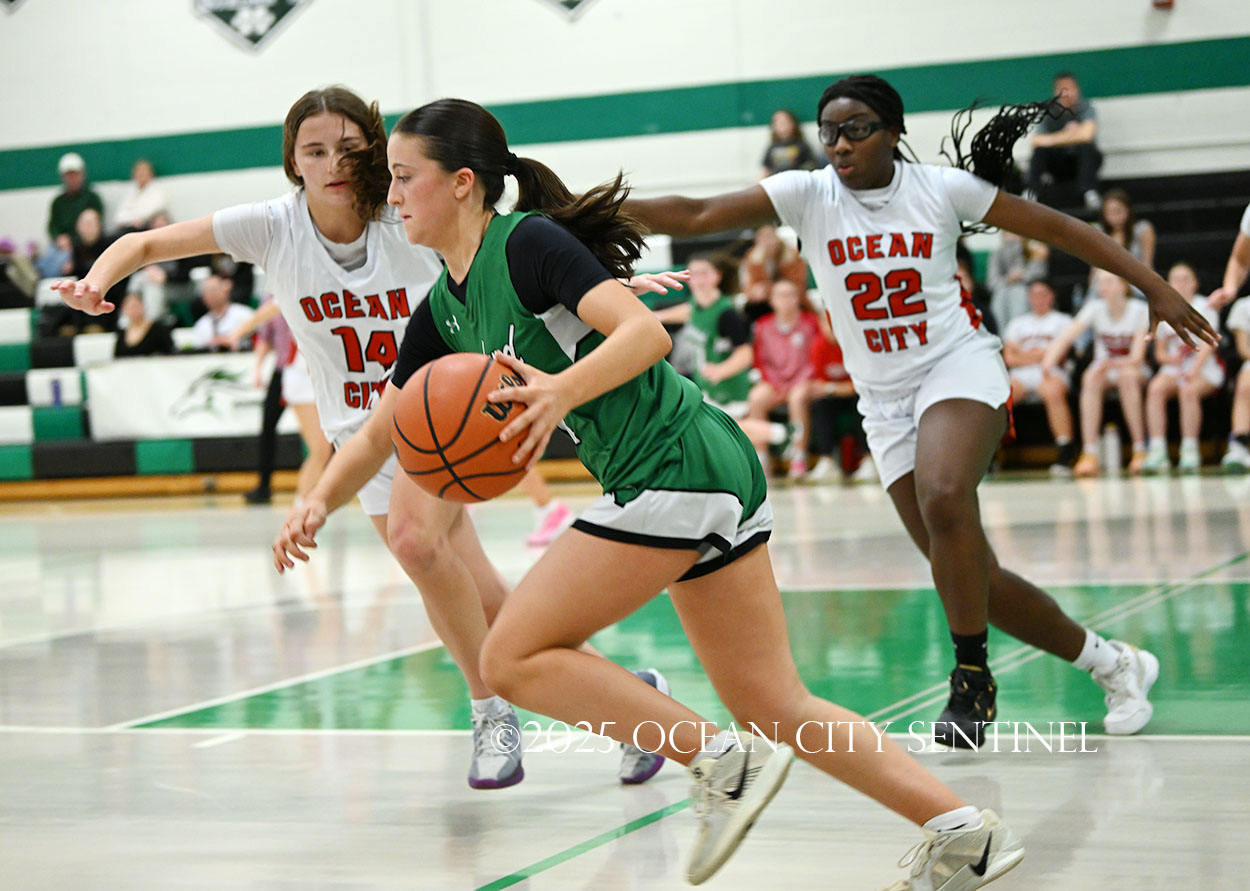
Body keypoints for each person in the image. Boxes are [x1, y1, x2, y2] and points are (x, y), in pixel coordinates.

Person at [277, 95, 1027, 891]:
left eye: (405, 176)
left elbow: (645, 333)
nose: (391, 195)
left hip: (670, 462)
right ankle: (963, 831)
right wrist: (316, 500)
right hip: (700, 466)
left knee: (509, 656)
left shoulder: (527, 243)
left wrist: (559, 392)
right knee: (775, 703)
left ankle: (718, 760)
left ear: (463, 182)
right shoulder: (443, 310)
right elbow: (379, 432)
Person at [54, 86, 672, 792]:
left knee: (414, 540)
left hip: (442, 410)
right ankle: (632, 702)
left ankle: (489, 709)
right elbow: (146, 242)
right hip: (364, 436)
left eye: (348, 149)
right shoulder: (273, 226)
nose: (333, 164)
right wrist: (96, 281)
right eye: (314, 151)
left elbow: (504, 252)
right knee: (484, 597)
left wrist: (592, 285)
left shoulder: (405, 210)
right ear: (292, 159)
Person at [624, 74, 1217, 758]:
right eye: (829, 132)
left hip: (957, 366)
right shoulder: (808, 193)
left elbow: (1061, 228)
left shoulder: (941, 189)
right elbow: (695, 213)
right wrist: (585, 212)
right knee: (972, 576)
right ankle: (1113, 663)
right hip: (882, 400)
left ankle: (971, 679)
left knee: (942, 495)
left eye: (856, 129)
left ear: (893, 131)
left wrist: (1155, 287)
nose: (840, 144)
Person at [654, 255, 792, 464]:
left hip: (727, 384)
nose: (699, 279)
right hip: (706, 383)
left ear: (717, 276)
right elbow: (688, 312)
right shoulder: (697, 305)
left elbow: (745, 354)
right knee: (718, 429)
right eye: (694, 274)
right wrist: (656, 316)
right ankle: (777, 438)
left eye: (704, 274)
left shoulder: (726, 313)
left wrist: (721, 371)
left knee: (723, 427)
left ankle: (782, 433)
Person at [1042, 271, 1150, 477]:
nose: (1102, 287)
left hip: (1133, 368)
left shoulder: (1139, 310)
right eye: (1099, 283)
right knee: (1090, 377)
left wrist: (1112, 363)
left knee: (1126, 377)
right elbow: (1066, 336)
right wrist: (1049, 361)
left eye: (1108, 282)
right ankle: (1090, 452)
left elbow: (1137, 357)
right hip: (1105, 368)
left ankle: (1139, 449)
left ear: (1123, 285)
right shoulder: (1094, 308)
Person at [227, 297, 333, 504]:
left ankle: (306, 502)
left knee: (325, 450)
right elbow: (264, 313)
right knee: (321, 449)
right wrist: (237, 333)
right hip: (300, 378)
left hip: (320, 377)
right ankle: (300, 506)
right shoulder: (295, 291)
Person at [1141, 263, 1223, 474]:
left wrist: (1193, 369)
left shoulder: (1206, 306)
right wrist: (1172, 359)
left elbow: (1210, 345)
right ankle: (1157, 450)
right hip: (1174, 369)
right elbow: (1159, 354)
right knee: (1155, 389)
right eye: (1176, 279)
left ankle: (1190, 450)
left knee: (1188, 390)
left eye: (1186, 279)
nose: (1181, 283)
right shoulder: (1162, 308)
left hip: (1204, 368)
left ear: (1195, 283)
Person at [748, 278, 823, 479]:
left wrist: (795, 383)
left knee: (797, 398)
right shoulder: (763, 326)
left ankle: (798, 456)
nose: (786, 300)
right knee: (756, 398)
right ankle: (761, 458)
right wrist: (777, 384)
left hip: (803, 380)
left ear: (798, 298)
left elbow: (815, 359)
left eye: (790, 295)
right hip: (775, 382)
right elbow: (761, 360)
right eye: (780, 295)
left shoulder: (810, 322)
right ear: (772, 300)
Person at [1001, 279, 1076, 475]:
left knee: (1052, 391)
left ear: (1052, 296)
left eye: (1043, 294)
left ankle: (1065, 449)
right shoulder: (1018, 323)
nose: (1038, 299)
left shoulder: (1063, 321)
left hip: (1051, 370)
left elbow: (1060, 354)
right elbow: (1009, 358)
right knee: (1001, 393)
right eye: (1034, 295)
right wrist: (1042, 353)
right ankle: (993, 452)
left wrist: (1024, 353)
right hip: (1021, 374)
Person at [1026, 71, 1103, 210]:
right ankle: (1031, 192)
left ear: (1077, 89)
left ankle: (1089, 192)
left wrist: (1052, 139)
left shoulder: (1087, 108)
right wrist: (1069, 134)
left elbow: (1087, 135)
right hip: (1058, 164)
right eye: (1062, 89)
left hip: (1081, 164)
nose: (1067, 93)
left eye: (1071, 88)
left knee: (1088, 148)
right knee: (1039, 151)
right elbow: (1036, 140)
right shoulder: (1049, 111)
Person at [738, 223, 809, 323]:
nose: (768, 241)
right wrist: (756, 291)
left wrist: (769, 289)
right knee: (751, 309)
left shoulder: (792, 255)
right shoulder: (753, 258)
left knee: (785, 299)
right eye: (763, 237)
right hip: (765, 302)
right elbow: (748, 287)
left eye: (770, 236)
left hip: (790, 297)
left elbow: (798, 285)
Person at [987, 230, 1048, 330]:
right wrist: (1008, 279)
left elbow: (1039, 275)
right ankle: (1003, 336)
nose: (1013, 237)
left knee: (1018, 292)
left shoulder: (1034, 249)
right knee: (1000, 294)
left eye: (1015, 233)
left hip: (1026, 289)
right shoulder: (997, 253)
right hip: (1003, 290)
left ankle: (1017, 332)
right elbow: (991, 283)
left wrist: (1022, 276)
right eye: (1008, 233)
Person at [47, 152, 104, 246]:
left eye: (75, 174)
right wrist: (58, 238)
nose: (72, 179)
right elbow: (52, 226)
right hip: (63, 245)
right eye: (69, 175)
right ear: (62, 177)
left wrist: (77, 241)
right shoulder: (58, 202)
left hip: (86, 243)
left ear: (83, 174)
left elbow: (97, 225)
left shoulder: (92, 199)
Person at [189, 271, 253, 351]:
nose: (211, 295)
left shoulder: (245, 314)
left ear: (226, 289)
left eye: (213, 290)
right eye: (207, 292)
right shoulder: (202, 324)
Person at [760, 108, 824, 179]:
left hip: (797, 180)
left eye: (786, 123)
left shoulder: (801, 145)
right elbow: (766, 168)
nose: (783, 127)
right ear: (774, 127)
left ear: (793, 124)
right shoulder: (772, 147)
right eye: (779, 123)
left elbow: (811, 165)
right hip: (777, 181)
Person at [112, 159, 170, 234]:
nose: (141, 175)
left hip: (145, 229)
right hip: (127, 228)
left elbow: (150, 213)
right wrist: (131, 220)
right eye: (139, 172)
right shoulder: (130, 194)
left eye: (144, 172)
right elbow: (118, 217)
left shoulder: (157, 193)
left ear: (151, 174)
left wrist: (137, 219)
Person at [113, 291, 175, 357]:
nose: (134, 310)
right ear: (124, 309)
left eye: (136, 306)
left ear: (143, 306)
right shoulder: (121, 333)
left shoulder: (158, 329)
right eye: (130, 307)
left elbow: (169, 352)